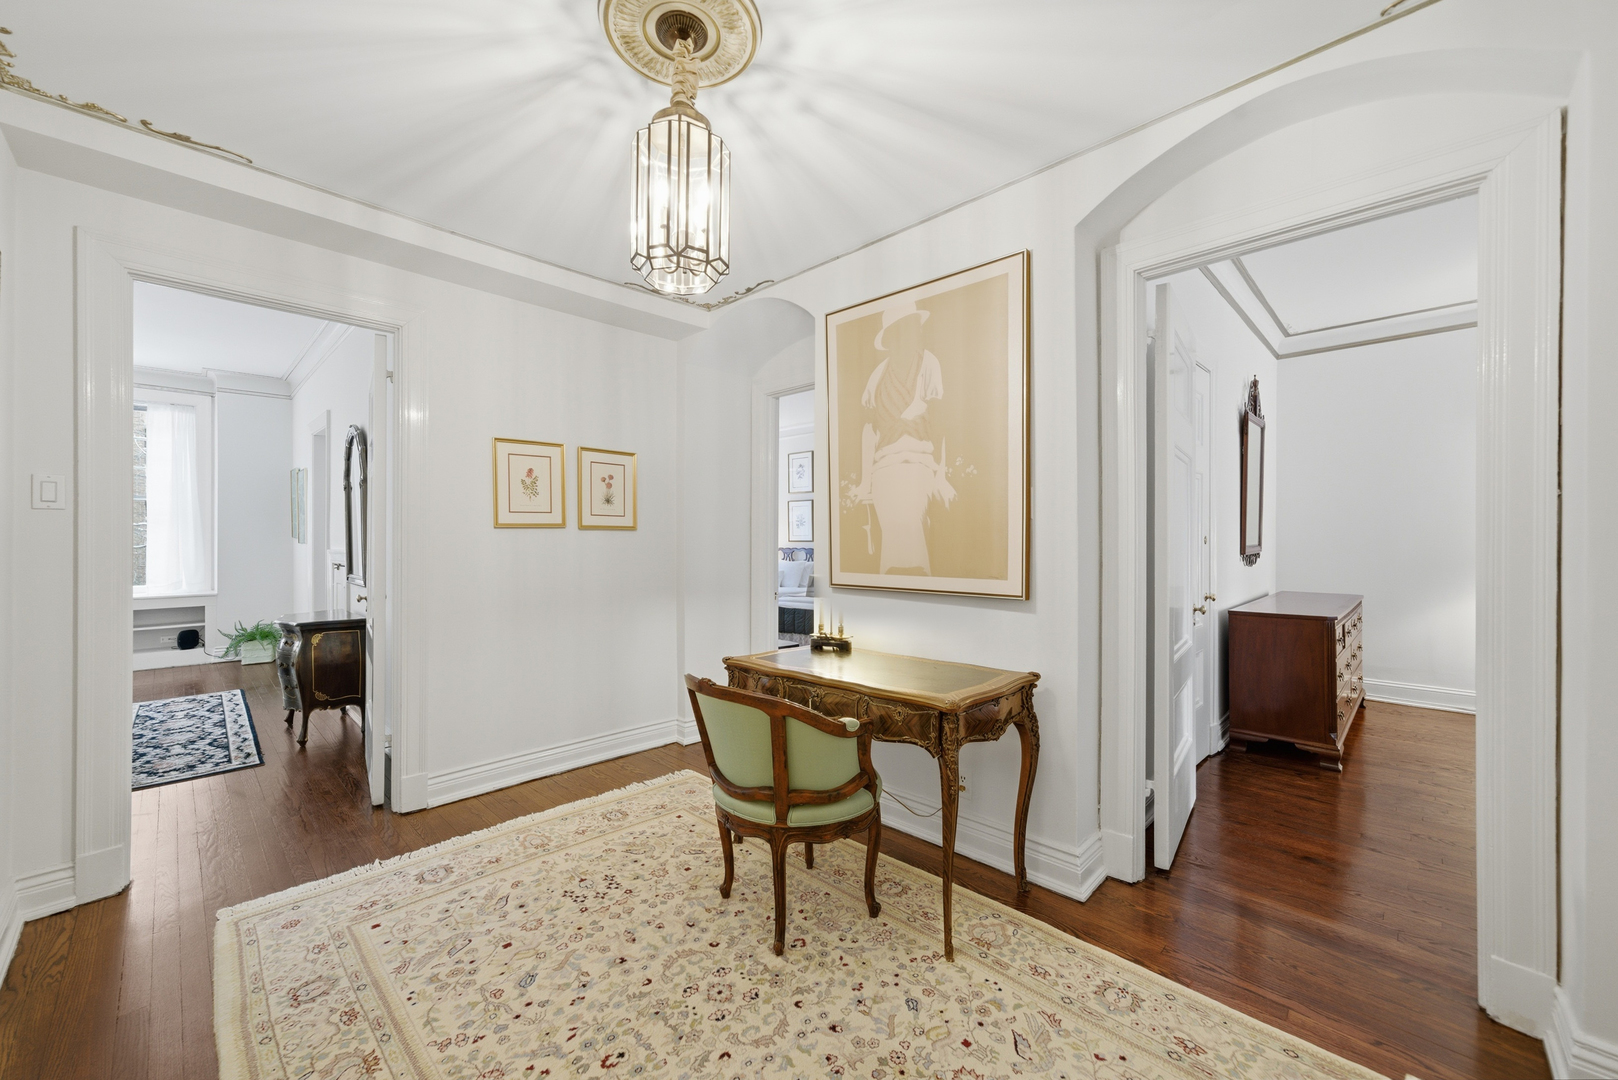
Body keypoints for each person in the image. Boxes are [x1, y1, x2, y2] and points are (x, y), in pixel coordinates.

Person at [847, 301, 956, 574]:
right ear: (891, 337)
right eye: (902, 331)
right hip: (884, 467)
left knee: (910, 514)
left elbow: (942, 424)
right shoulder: (878, 376)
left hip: (921, 463)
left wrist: (942, 476)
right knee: (892, 515)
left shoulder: (929, 363)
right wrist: (864, 482)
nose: (910, 336)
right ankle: (895, 580)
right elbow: (869, 431)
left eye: (913, 329)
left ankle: (916, 578)